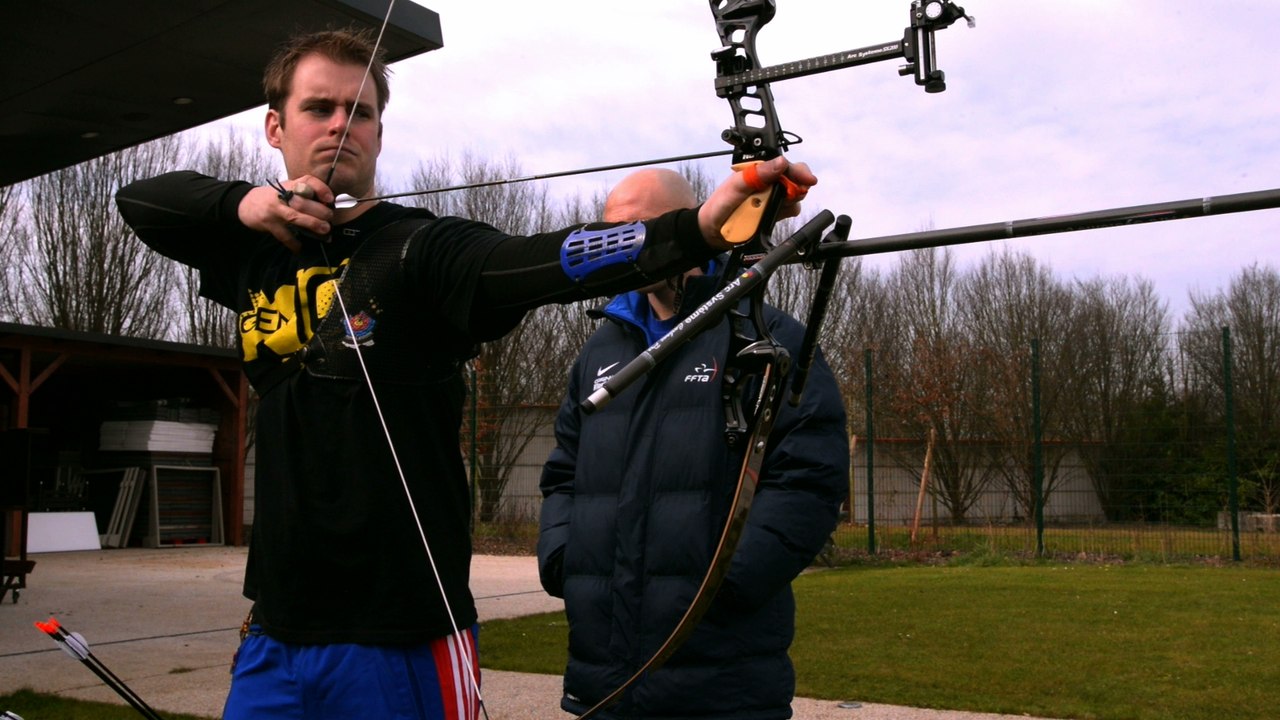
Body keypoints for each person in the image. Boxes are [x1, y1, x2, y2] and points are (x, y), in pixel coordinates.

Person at [112, 29, 817, 720]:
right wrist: (243, 204)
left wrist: (696, 228)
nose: (341, 126)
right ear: (275, 126)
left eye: (360, 112)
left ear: (380, 134)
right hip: (276, 630)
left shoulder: (421, 249)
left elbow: (555, 259)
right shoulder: (255, 251)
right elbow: (142, 201)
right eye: (318, 108)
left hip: (403, 635)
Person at [537, 168, 849, 719]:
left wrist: (725, 584)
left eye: (638, 228)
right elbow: (565, 470)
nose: (621, 245)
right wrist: (565, 561)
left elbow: (808, 478)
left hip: (720, 684)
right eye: (610, 230)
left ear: (688, 227)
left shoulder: (767, 337)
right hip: (601, 679)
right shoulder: (599, 350)